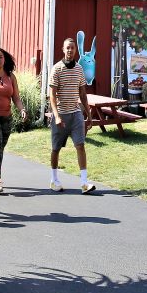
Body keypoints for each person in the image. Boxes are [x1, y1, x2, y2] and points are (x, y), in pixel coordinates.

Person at [48, 38, 95, 194]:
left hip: (75, 114)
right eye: (67, 48)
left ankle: (84, 182)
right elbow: (52, 96)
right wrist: (57, 116)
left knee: (80, 146)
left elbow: (83, 93)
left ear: (75, 50)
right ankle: (54, 180)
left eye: (72, 48)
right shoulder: (57, 69)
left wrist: (88, 114)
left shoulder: (79, 69)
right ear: (63, 49)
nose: (70, 51)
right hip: (60, 114)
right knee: (55, 149)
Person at [0, 48, 27, 194]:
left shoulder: (11, 77)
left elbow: (16, 97)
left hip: (7, 117)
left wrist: (22, 109)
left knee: (0, 148)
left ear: (5, 59)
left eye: (1, 57)